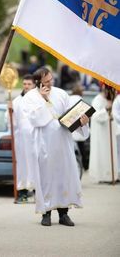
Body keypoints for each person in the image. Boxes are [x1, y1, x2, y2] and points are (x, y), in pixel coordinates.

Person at [22, 67, 89, 227]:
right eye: (46, 82)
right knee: (45, 178)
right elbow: (34, 119)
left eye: (51, 80)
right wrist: (44, 100)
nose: (50, 83)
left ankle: (64, 213)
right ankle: (46, 213)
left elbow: (69, 115)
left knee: (63, 177)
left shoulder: (61, 93)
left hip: (63, 142)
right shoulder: (30, 97)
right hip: (43, 144)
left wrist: (80, 122)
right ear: (38, 82)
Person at [12, 74, 36, 204]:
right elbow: (12, 122)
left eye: (29, 84)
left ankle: (38, 191)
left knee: (36, 164)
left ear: (34, 85)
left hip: (36, 138)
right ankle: (23, 192)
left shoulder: (39, 100)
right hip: (22, 139)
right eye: (25, 84)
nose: (26, 86)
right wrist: (10, 111)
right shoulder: (17, 101)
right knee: (23, 165)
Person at [89, 85, 118, 183]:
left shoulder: (110, 100)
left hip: (109, 132)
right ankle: (103, 177)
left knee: (111, 152)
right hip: (100, 134)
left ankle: (113, 176)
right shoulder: (97, 100)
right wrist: (106, 109)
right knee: (102, 153)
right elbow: (95, 116)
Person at [69, 84, 90, 170]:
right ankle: (85, 165)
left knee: (72, 149)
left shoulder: (69, 99)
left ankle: (78, 164)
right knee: (82, 148)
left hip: (71, 128)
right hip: (79, 127)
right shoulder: (80, 100)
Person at [112, 94, 120, 179]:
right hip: (118, 130)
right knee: (118, 152)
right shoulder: (118, 100)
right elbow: (115, 114)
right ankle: (118, 172)